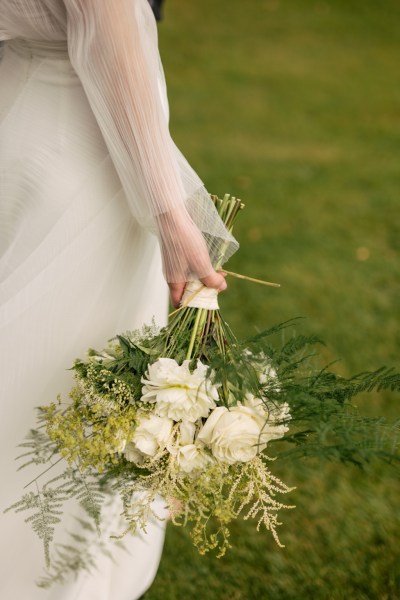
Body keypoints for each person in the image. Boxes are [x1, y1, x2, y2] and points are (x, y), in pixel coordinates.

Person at [0, 0, 238, 598]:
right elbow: (111, 38)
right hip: (88, 156)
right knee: (52, 380)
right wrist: (168, 211)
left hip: (18, 123)